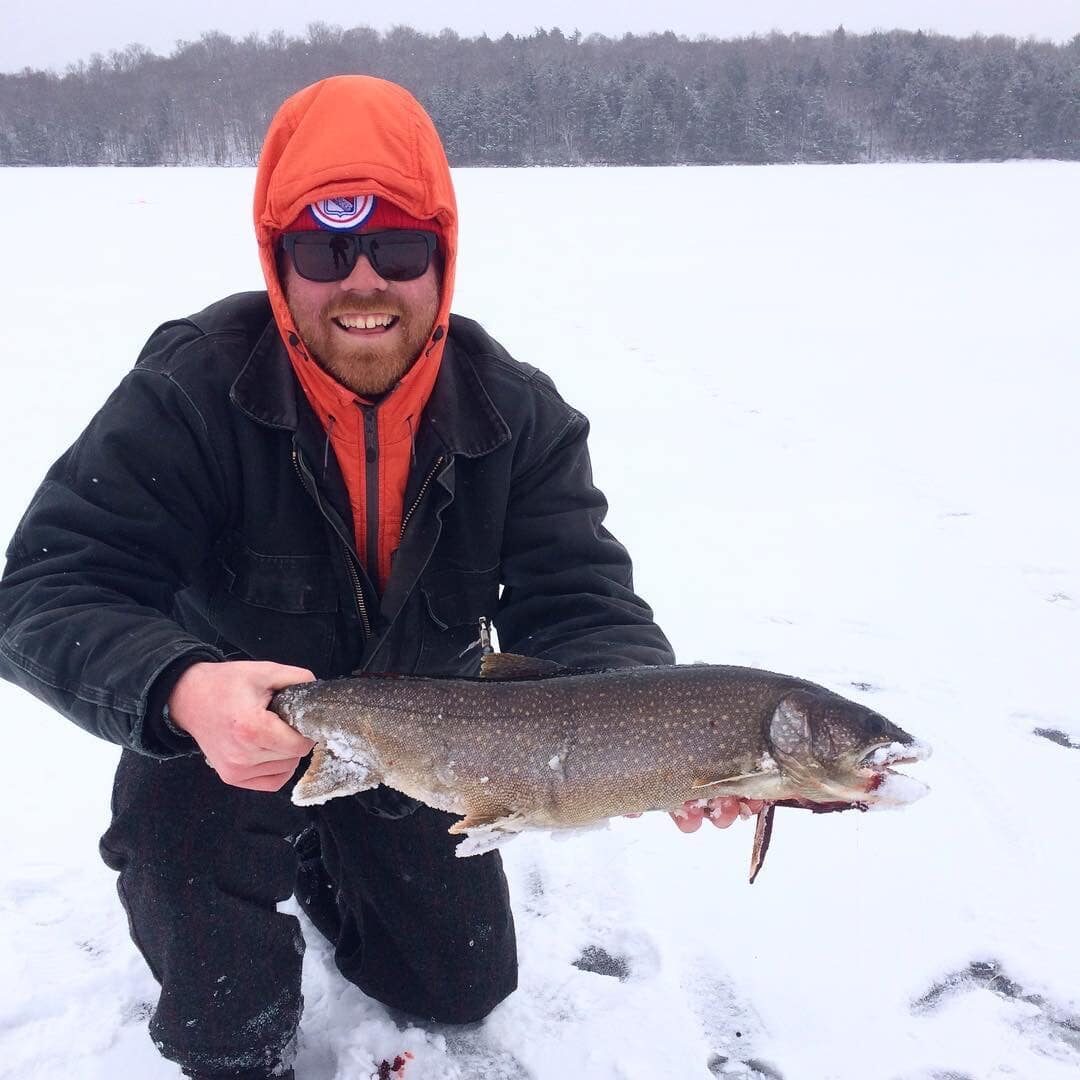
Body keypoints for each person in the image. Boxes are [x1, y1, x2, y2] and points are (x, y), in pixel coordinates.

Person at [0, 76, 753, 1080]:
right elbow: (44, 589)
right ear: (280, 262)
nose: (363, 281)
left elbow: (581, 603)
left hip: (430, 739)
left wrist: (661, 729)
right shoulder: (189, 392)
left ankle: (328, 852)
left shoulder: (517, 417)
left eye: (398, 247)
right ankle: (234, 997)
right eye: (324, 248)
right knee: (223, 1019)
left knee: (456, 989)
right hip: (234, 746)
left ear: (441, 257)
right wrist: (180, 690)